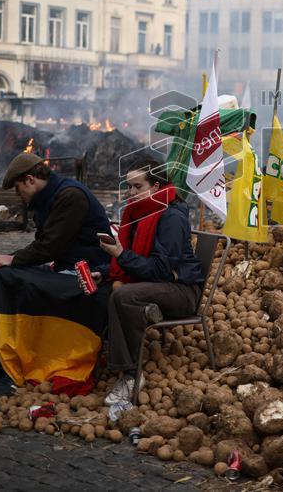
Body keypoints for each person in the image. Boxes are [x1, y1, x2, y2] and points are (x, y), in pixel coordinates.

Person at [0, 152, 112, 391]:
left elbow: (51, 247)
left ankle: (19, 363)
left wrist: (12, 259)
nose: (18, 195)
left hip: (85, 273)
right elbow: (42, 245)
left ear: (30, 180)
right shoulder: (46, 198)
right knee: (0, 278)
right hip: (62, 266)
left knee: (15, 281)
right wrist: (5, 262)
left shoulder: (70, 196)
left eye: (18, 188)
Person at [101, 160, 204, 407]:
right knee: (103, 289)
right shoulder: (139, 212)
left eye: (138, 186)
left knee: (124, 296)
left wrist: (120, 255)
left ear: (156, 186)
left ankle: (131, 374)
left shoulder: (171, 217)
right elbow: (139, 258)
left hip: (182, 291)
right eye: (129, 186)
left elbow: (159, 269)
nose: (131, 192)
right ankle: (99, 353)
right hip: (158, 282)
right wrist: (103, 271)